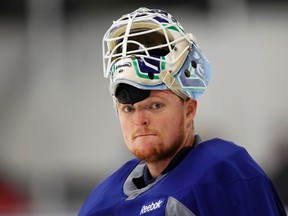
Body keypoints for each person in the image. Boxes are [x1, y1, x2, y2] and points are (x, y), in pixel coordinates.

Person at [79, 7, 286, 215]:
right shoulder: (100, 203)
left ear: (189, 110)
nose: (140, 120)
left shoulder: (223, 177)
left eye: (155, 105)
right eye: (129, 109)